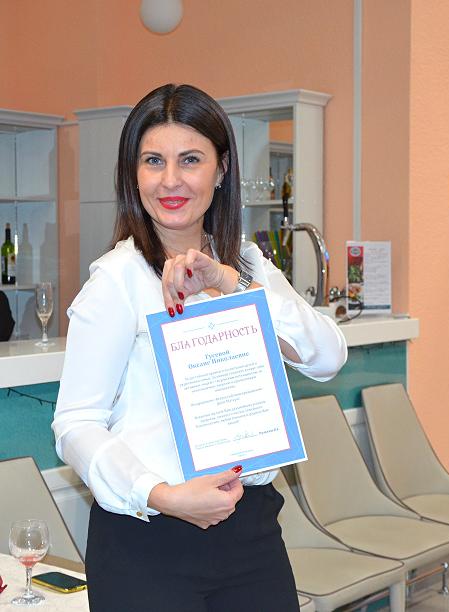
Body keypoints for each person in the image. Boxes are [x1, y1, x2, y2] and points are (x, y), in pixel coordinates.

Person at [52, 83, 347, 612]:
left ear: (222, 168)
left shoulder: (248, 264)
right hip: (147, 541)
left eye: (190, 159)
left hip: (251, 532)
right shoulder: (117, 280)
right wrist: (161, 495)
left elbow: (327, 357)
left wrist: (231, 284)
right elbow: (75, 424)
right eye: (153, 161)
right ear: (133, 174)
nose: (171, 180)